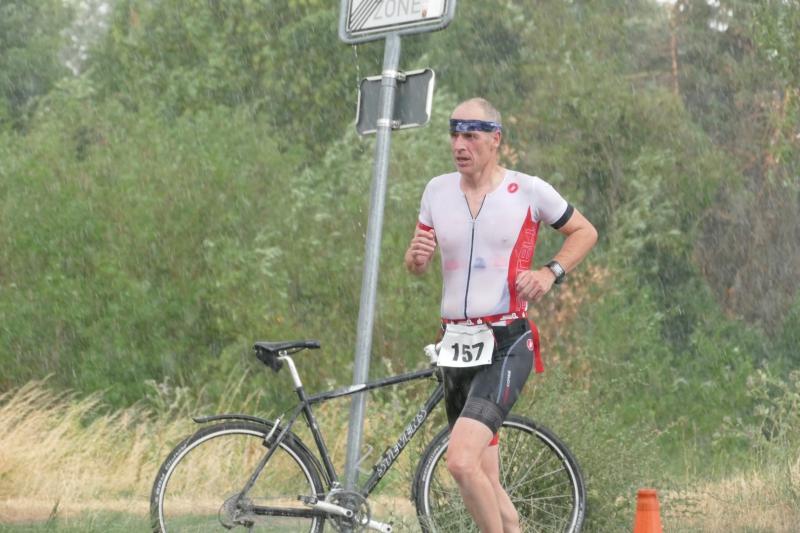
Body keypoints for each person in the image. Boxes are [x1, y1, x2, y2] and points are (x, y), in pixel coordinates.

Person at [405, 98, 597, 532]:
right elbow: (416, 262)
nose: (459, 145)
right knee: (484, 477)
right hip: (455, 345)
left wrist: (550, 272)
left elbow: (585, 231)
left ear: (495, 140)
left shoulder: (528, 190)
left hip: (506, 343)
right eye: (454, 135)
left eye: (471, 136)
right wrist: (415, 259)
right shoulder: (436, 191)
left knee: (460, 462)